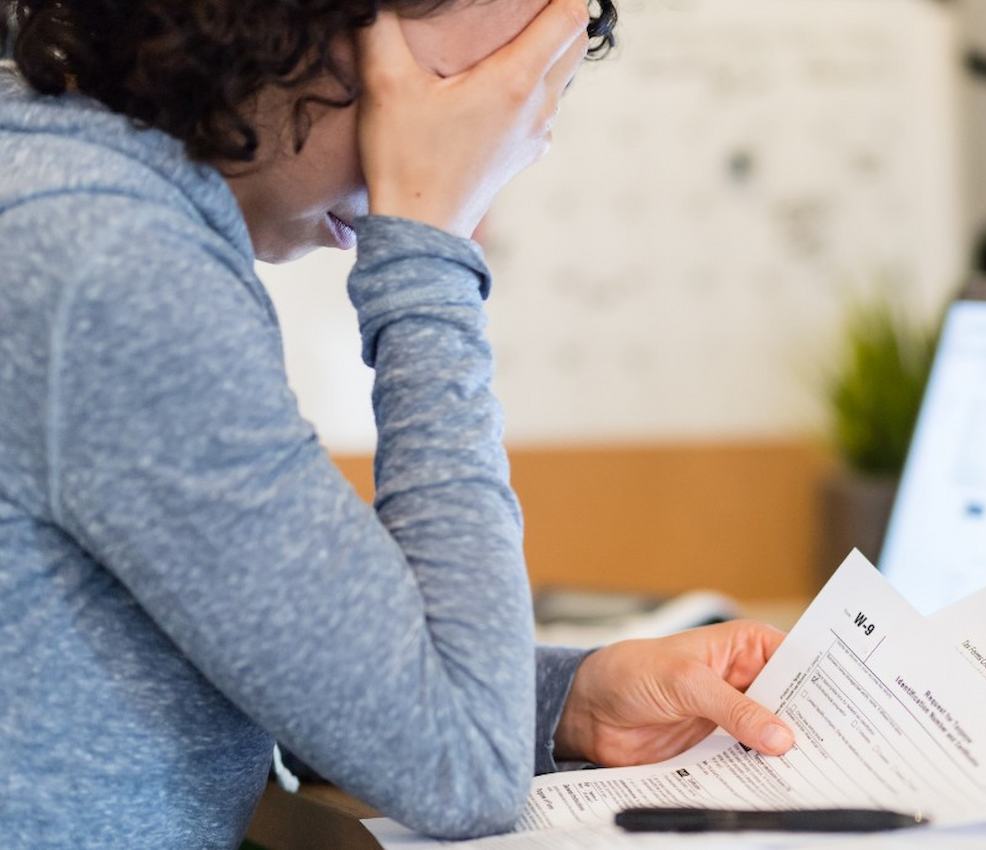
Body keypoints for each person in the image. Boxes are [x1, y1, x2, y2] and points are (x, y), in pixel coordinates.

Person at [0, 1, 798, 847]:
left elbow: (273, 650)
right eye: (458, 92)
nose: (492, 155)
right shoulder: (103, 257)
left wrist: (566, 701)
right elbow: (462, 772)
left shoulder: (67, 176)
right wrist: (427, 239)